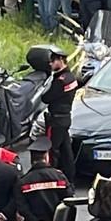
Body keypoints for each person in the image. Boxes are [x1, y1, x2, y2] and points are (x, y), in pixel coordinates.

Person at [40, 49, 78, 179]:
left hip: (55, 120)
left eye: (53, 61)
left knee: (52, 150)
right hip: (65, 118)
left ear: (61, 60)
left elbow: (46, 98)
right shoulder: (71, 77)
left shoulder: (60, 81)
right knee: (66, 151)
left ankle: (51, 177)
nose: (50, 64)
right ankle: (70, 178)